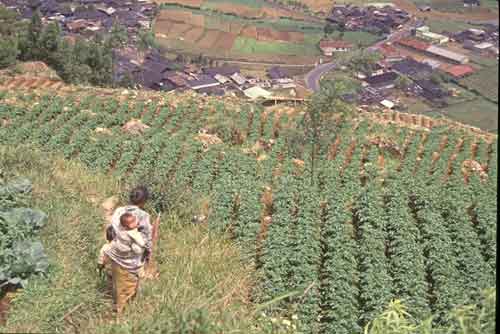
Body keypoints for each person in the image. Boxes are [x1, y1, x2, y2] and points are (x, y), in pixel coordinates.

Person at [105, 186, 153, 314]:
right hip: (130, 263)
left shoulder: (119, 211)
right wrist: (148, 257)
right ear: (144, 201)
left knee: (116, 282)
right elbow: (146, 242)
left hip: (114, 255)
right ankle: (120, 315)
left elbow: (111, 230)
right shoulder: (143, 216)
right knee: (128, 290)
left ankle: (114, 300)